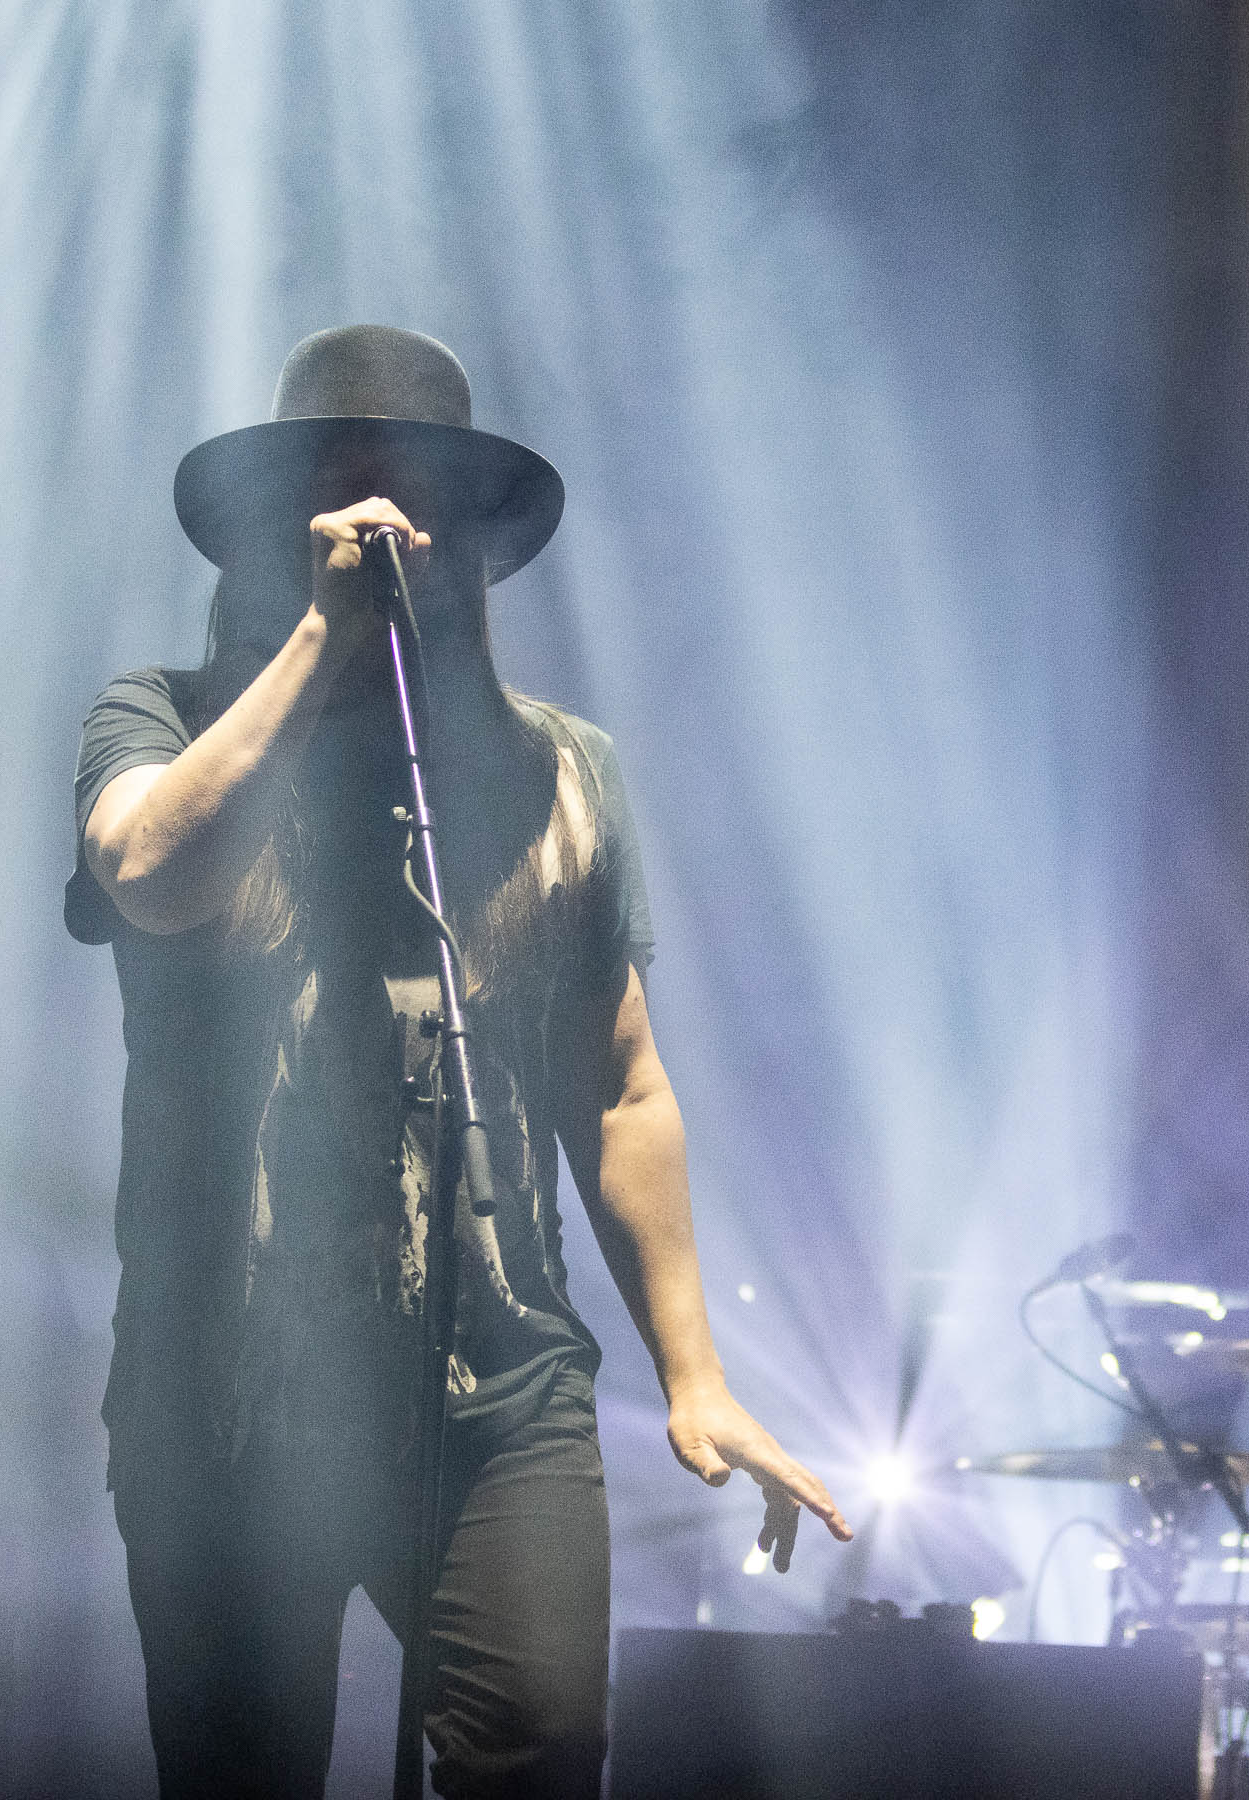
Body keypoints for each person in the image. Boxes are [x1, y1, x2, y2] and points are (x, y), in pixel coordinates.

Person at [66, 324, 852, 1798]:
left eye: (417, 508)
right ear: (271, 536)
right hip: (223, 1401)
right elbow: (150, 873)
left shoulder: (564, 773)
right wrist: (318, 643)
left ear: (476, 553)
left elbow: (620, 1086)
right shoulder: (156, 715)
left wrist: (694, 1373)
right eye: (342, 505)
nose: (385, 539)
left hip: (496, 1393)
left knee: (546, 1751)